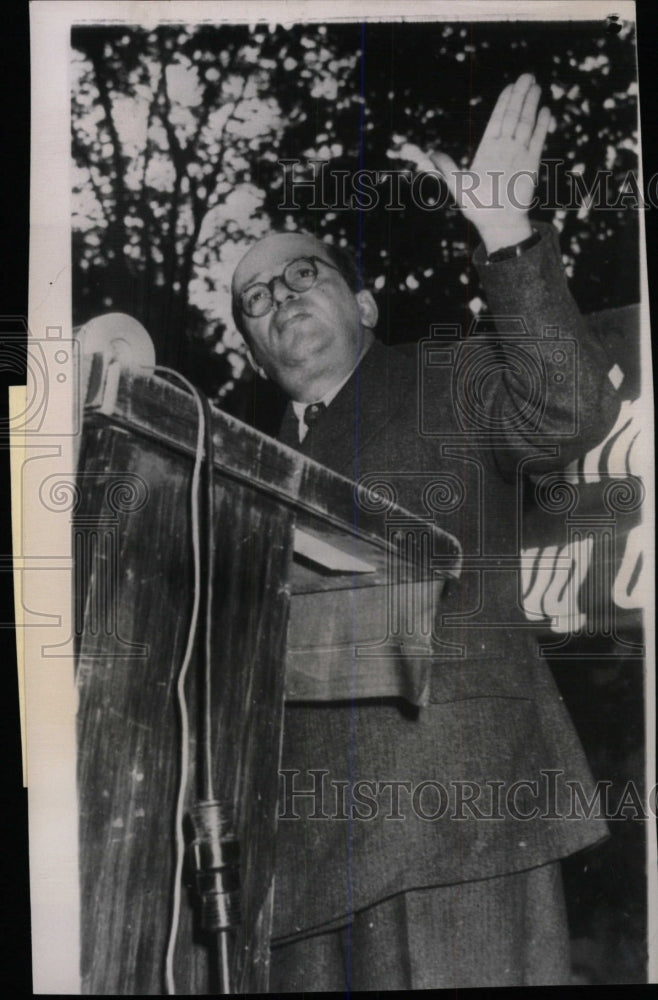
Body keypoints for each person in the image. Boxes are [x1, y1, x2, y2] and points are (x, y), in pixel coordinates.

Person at [230, 74, 621, 990]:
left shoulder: (443, 377)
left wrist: (505, 238)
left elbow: (567, 410)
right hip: (298, 867)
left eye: (305, 271)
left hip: (459, 820)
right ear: (254, 355)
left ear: (364, 307)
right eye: (256, 298)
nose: (280, 295)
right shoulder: (234, 473)